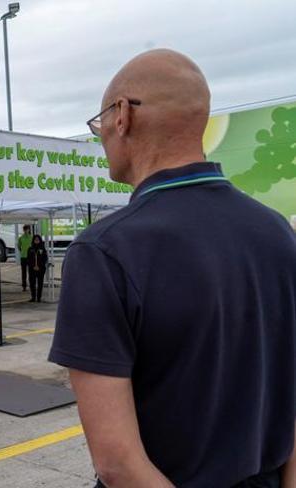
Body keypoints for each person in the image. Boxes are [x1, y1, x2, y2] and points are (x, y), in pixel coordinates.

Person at [48, 49, 296, 487]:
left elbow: (118, 463)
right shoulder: (278, 233)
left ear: (122, 114)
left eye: (100, 120)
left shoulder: (104, 251)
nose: (101, 133)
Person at [26, 235, 48, 302]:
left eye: (38, 240)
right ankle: (33, 297)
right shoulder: (30, 249)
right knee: (32, 283)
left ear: (40, 240)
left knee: (40, 283)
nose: (36, 241)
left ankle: (39, 298)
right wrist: (33, 266)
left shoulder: (42, 249)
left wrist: (39, 266)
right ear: (33, 240)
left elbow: (45, 259)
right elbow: (28, 259)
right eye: (35, 240)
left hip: (40, 269)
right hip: (32, 269)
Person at [17, 224, 32, 291]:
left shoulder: (31, 237)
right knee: (23, 272)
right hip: (23, 256)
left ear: (29, 230)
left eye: (27, 229)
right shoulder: (21, 238)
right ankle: (24, 286)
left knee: (31, 272)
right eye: (25, 229)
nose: (26, 231)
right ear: (23, 230)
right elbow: (19, 246)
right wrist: (23, 251)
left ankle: (31, 285)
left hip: (30, 257)